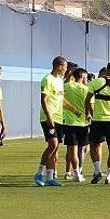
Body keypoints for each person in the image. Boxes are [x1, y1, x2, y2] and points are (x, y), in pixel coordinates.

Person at [86, 61, 110, 185]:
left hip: (97, 120)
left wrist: (88, 114)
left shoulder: (96, 82)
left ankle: (97, 171)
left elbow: (87, 100)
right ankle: (108, 177)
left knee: (93, 146)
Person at [34, 56, 67, 187]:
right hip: (49, 118)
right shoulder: (48, 79)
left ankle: (50, 178)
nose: (66, 69)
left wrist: (74, 110)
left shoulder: (60, 81)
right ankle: (39, 173)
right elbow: (44, 99)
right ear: (59, 66)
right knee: (53, 145)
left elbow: (61, 100)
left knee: (56, 147)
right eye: (65, 67)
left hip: (59, 118)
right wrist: (49, 117)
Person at [62, 67, 90, 182]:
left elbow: (62, 101)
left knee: (72, 151)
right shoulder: (86, 89)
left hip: (69, 123)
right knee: (81, 150)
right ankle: (79, 171)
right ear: (82, 77)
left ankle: (76, 173)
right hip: (83, 124)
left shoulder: (67, 86)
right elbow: (90, 105)